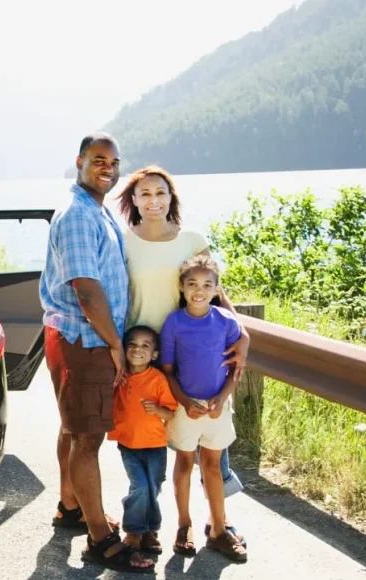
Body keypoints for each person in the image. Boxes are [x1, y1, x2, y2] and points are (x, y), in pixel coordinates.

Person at [115, 165, 250, 553]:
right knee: (154, 447)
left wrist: (243, 332)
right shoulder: (123, 242)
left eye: (161, 192)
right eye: (145, 194)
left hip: (193, 353)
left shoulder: (192, 239)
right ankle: (152, 524)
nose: (154, 200)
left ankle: (218, 525)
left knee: (212, 448)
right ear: (133, 200)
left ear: (171, 197)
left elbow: (214, 291)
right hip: (146, 354)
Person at [40, 131, 154, 573]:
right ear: (80, 161)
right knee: (88, 439)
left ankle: (71, 506)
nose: (107, 167)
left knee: (74, 427)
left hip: (78, 338)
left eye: (113, 161)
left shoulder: (94, 211)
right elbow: (86, 291)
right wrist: (114, 345)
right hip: (84, 340)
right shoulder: (77, 216)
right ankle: (101, 540)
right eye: (98, 160)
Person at [161, 255, 248, 563]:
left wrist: (222, 399)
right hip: (187, 406)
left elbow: (234, 370)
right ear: (182, 288)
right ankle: (184, 525)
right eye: (192, 284)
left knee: (212, 465)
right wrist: (184, 402)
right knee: (184, 464)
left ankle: (219, 530)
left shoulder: (226, 322)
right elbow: (168, 370)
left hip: (217, 406)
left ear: (216, 290)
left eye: (207, 285)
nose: (199, 291)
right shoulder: (174, 322)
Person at [106, 325, 178, 556]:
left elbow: (170, 412)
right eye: (132, 344)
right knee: (141, 487)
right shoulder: (119, 374)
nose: (138, 350)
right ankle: (134, 532)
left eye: (145, 346)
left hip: (156, 445)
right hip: (128, 444)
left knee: (152, 488)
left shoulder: (157, 379)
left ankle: (150, 531)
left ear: (155, 354)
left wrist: (157, 409)